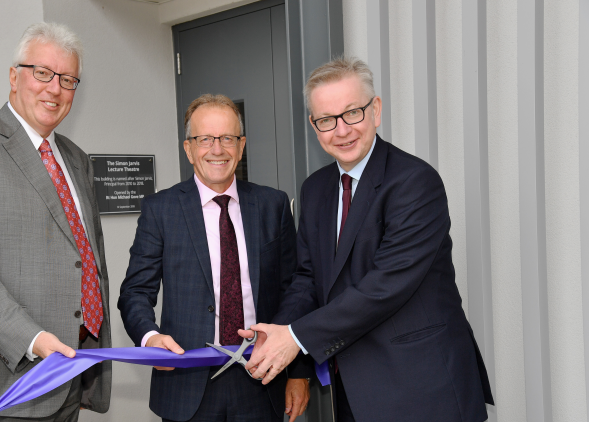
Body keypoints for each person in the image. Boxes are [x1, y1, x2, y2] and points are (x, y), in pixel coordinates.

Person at [241, 56, 494, 422]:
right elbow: (308, 278)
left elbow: (385, 286)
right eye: (326, 120)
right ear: (314, 126)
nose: (341, 130)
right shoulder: (315, 189)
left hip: (423, 387)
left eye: (352, 113)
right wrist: (277, 332)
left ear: (375, 110)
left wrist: (294, 338)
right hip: (355, 390)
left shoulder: (415, 183)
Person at [0, 22, 111, 421]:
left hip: (70, 376)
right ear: (14, 77)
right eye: (42, 73)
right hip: (6, 385)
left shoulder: (77, 159)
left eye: (67, 79)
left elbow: (84, 258)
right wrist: (33, 339)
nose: (55, 89)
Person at [117, 94, 311, 422]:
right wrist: (150, 337)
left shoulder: (272, 205)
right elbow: (135, 293)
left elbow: (295, 291)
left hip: (262, 378)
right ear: (189, 148)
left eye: (227, 138)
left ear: (242, 144)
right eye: (205, 139)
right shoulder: (160, 210)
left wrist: (298, 373)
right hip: (187, 384)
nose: (217, 149)